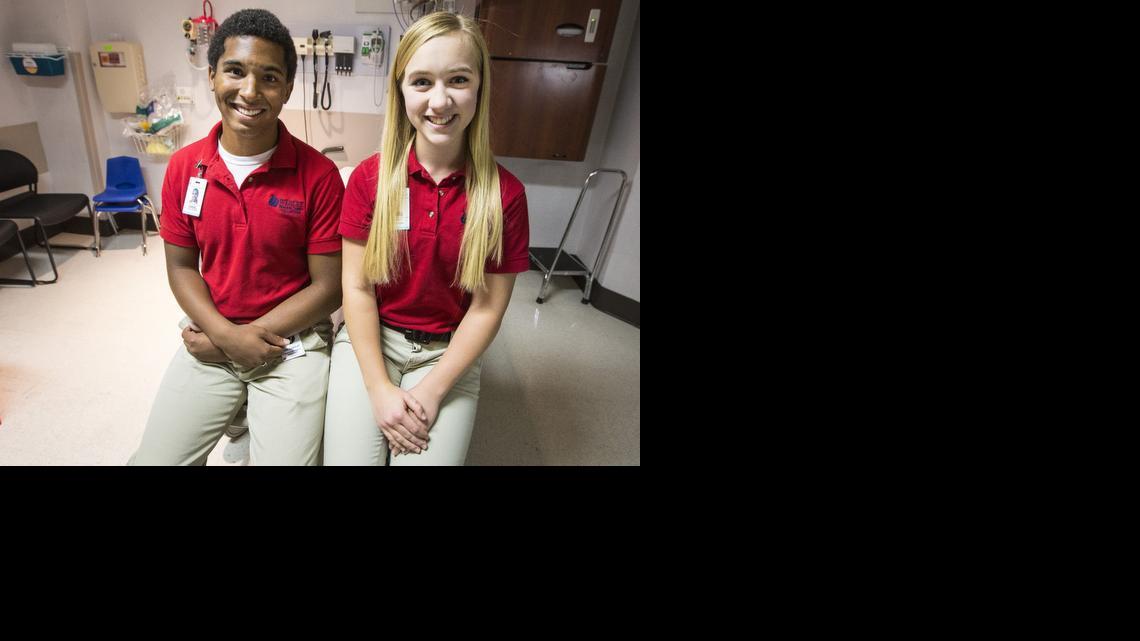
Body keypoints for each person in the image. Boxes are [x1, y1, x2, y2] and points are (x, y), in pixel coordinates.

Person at [129, 8, 344, 465]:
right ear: (211, 76)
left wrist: (243, 339)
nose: (249, 91)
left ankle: (247, 413)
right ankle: (241, 412)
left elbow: (328, 288)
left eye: (269, 77)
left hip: (292, 344)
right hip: (213, 332)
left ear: (288, 88)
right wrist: (226, 335)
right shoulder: (185, 167)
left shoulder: (320, 175)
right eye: (235, 71)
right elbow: (181, 267)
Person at [323, 12, 530, 465]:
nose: (440, 100)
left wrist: (433, 391)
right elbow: (356, 288)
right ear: (400, 90)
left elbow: (487, 308)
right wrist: (378, 388)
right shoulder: (370, 179)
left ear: (480, 87)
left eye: (458, 79)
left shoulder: (505, 195)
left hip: (446, 356)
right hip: (372, 342)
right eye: (421, 82)